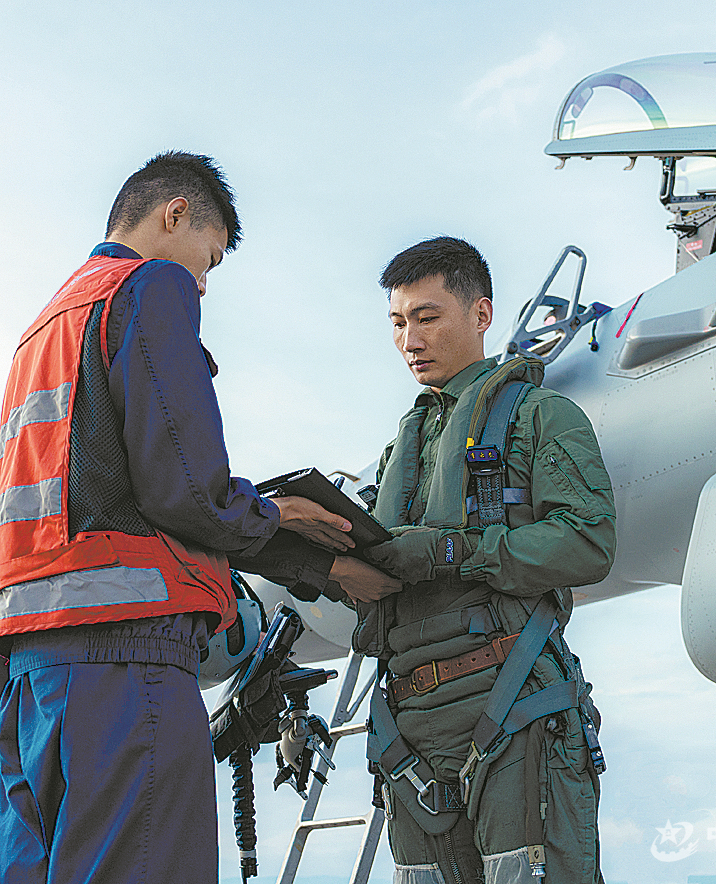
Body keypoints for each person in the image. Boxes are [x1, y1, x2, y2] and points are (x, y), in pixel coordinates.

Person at [0, 151, 399, 884]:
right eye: (208, 261)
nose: (204, 284)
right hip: (124, 655)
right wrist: (278, 514)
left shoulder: (41, 328)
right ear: (173, 214)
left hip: (27, 675)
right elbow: (184, 484)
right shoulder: (147, 286)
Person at [357, 236, 616, 884]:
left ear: (480, 314)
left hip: (510, 708)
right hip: (407, 729)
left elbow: (588, 540)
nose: (409, 340)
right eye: (397, 322)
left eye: (426, 317)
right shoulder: (400, 451)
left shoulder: (541, 416)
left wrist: (455, 551)